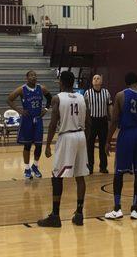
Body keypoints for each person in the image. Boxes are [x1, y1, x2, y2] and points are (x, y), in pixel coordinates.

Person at [37, 71, 89, 228]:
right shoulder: (82, 97)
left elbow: (53, 123)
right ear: (73, 82)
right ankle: (79, 213)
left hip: (66, 136)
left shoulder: (57, 98)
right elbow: (88, 120)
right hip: (81, 135)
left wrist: (47, 144)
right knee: (80, 176)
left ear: (61, 82)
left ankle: (55, 215)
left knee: (57, 176)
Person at [104, 72, 137, 220]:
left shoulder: (121, 96)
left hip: (126, 135)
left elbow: (114, 120)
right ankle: (134, 208)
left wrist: (108, 140)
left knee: (119, 171)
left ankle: (117, 208)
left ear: (126, 82)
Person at [7, 70, 51, 179]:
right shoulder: (22, 89)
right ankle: (27, 168)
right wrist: (19, 110)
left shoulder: (42, 88)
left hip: (38, 119)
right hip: (27, 120)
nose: (34, 77)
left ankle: (35, 166)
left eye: (35, 75)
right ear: (27, 78)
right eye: (31, 75)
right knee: (27, 145)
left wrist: (45, 108)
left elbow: (50, 98)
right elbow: (9, 99)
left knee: (39, 145)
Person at [85, 74, 113, 174]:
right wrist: (86, 122)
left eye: (98, 78)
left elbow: (110, 106)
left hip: (103, 121)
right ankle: (90, 167)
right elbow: (85, 109)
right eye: (94, 78)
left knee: (103, 145)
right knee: (89, 145)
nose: (96, 80)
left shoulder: (106, 92)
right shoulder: (87, 93)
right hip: (91, 121)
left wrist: (112, 119)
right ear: (92, 82)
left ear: (101, 81)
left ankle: (103, 167)